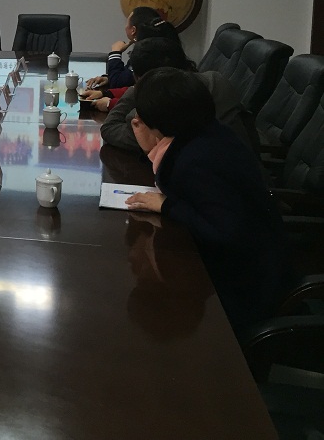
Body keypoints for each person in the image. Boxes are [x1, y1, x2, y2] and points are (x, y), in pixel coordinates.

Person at [123, 68, 291, 332]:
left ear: (160, 121)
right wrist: (150, 149)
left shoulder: (197, 161)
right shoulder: (206, 133)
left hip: (245, 286)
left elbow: (224, 232)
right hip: (248, 261)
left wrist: (167, 205)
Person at [100, 37, 251, 152]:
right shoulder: (214, 79)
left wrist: (138, 86)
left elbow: (110, 128)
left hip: (208, 179)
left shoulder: (164, 105)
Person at [86, 6, 163, 90]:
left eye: (127, 23)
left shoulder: (145, 54)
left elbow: (117, 83)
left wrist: (115, 53)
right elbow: (127, 78)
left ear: (133, 30)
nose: (125, 26)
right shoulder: (156, 47)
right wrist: (108, 79)